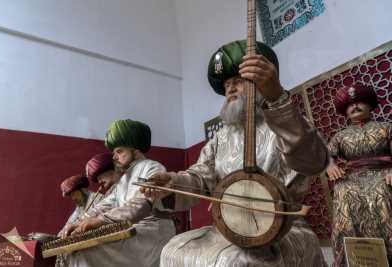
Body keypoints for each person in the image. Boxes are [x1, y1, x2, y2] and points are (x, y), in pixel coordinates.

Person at [142, 40, 329, 267]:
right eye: (227, 84)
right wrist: (171, 183)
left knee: (233, 262)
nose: (229, 88)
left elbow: (314, 162)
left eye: (238, 81)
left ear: (261, 83)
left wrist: (277, 98)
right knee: (172, 249)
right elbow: (200, 178)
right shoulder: (220, 138)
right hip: (228, 229)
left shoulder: (286, 122)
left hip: (281, 230)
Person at [63, 119, 175, 267]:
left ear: (135, 150)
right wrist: (78, 223)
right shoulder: (124, 180)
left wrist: (100, 221)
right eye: (114, 152)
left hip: (152, 233)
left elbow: (140, 204)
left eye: (119, 151)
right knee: (75, 249)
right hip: (133, 231)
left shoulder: (152, 168)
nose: (114, 157)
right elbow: (103, 206)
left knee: (85, 251)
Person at [326, 83, 392, 266]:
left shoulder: (386, 127)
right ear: (345, 111)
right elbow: (327, 156)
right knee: (342, 189)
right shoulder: (340, 136)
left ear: (370, 105)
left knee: (383, 191)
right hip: (352, 176)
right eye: (350, 104)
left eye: (359, 102)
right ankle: (354, 258)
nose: (354, 106)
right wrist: (330, 166)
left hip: (383, 173)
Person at [56, 175, 99, 267]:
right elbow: (69, 224)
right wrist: (59, 236)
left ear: (82, 190)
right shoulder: (80, 207)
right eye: (71, 196)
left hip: (99, 243)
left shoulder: (98, 199)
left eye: (74, 194)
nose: (73, 198)